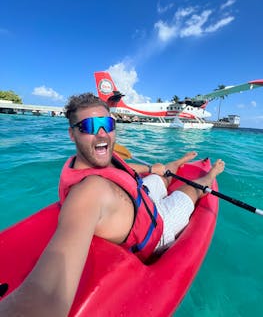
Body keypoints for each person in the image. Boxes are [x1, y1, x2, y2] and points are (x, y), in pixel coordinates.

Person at [0, 93, 225, 316]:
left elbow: (123, 171)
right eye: (88, 126)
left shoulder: (92, 162)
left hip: (139, 195)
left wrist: (149, 170)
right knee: (192, 189)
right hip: (157, 226)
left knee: (160, 175)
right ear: (72, 134)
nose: (102, 133)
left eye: (107, 124)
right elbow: (47, 296)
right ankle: (212, 173)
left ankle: (174, 164)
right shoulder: (87, 194)